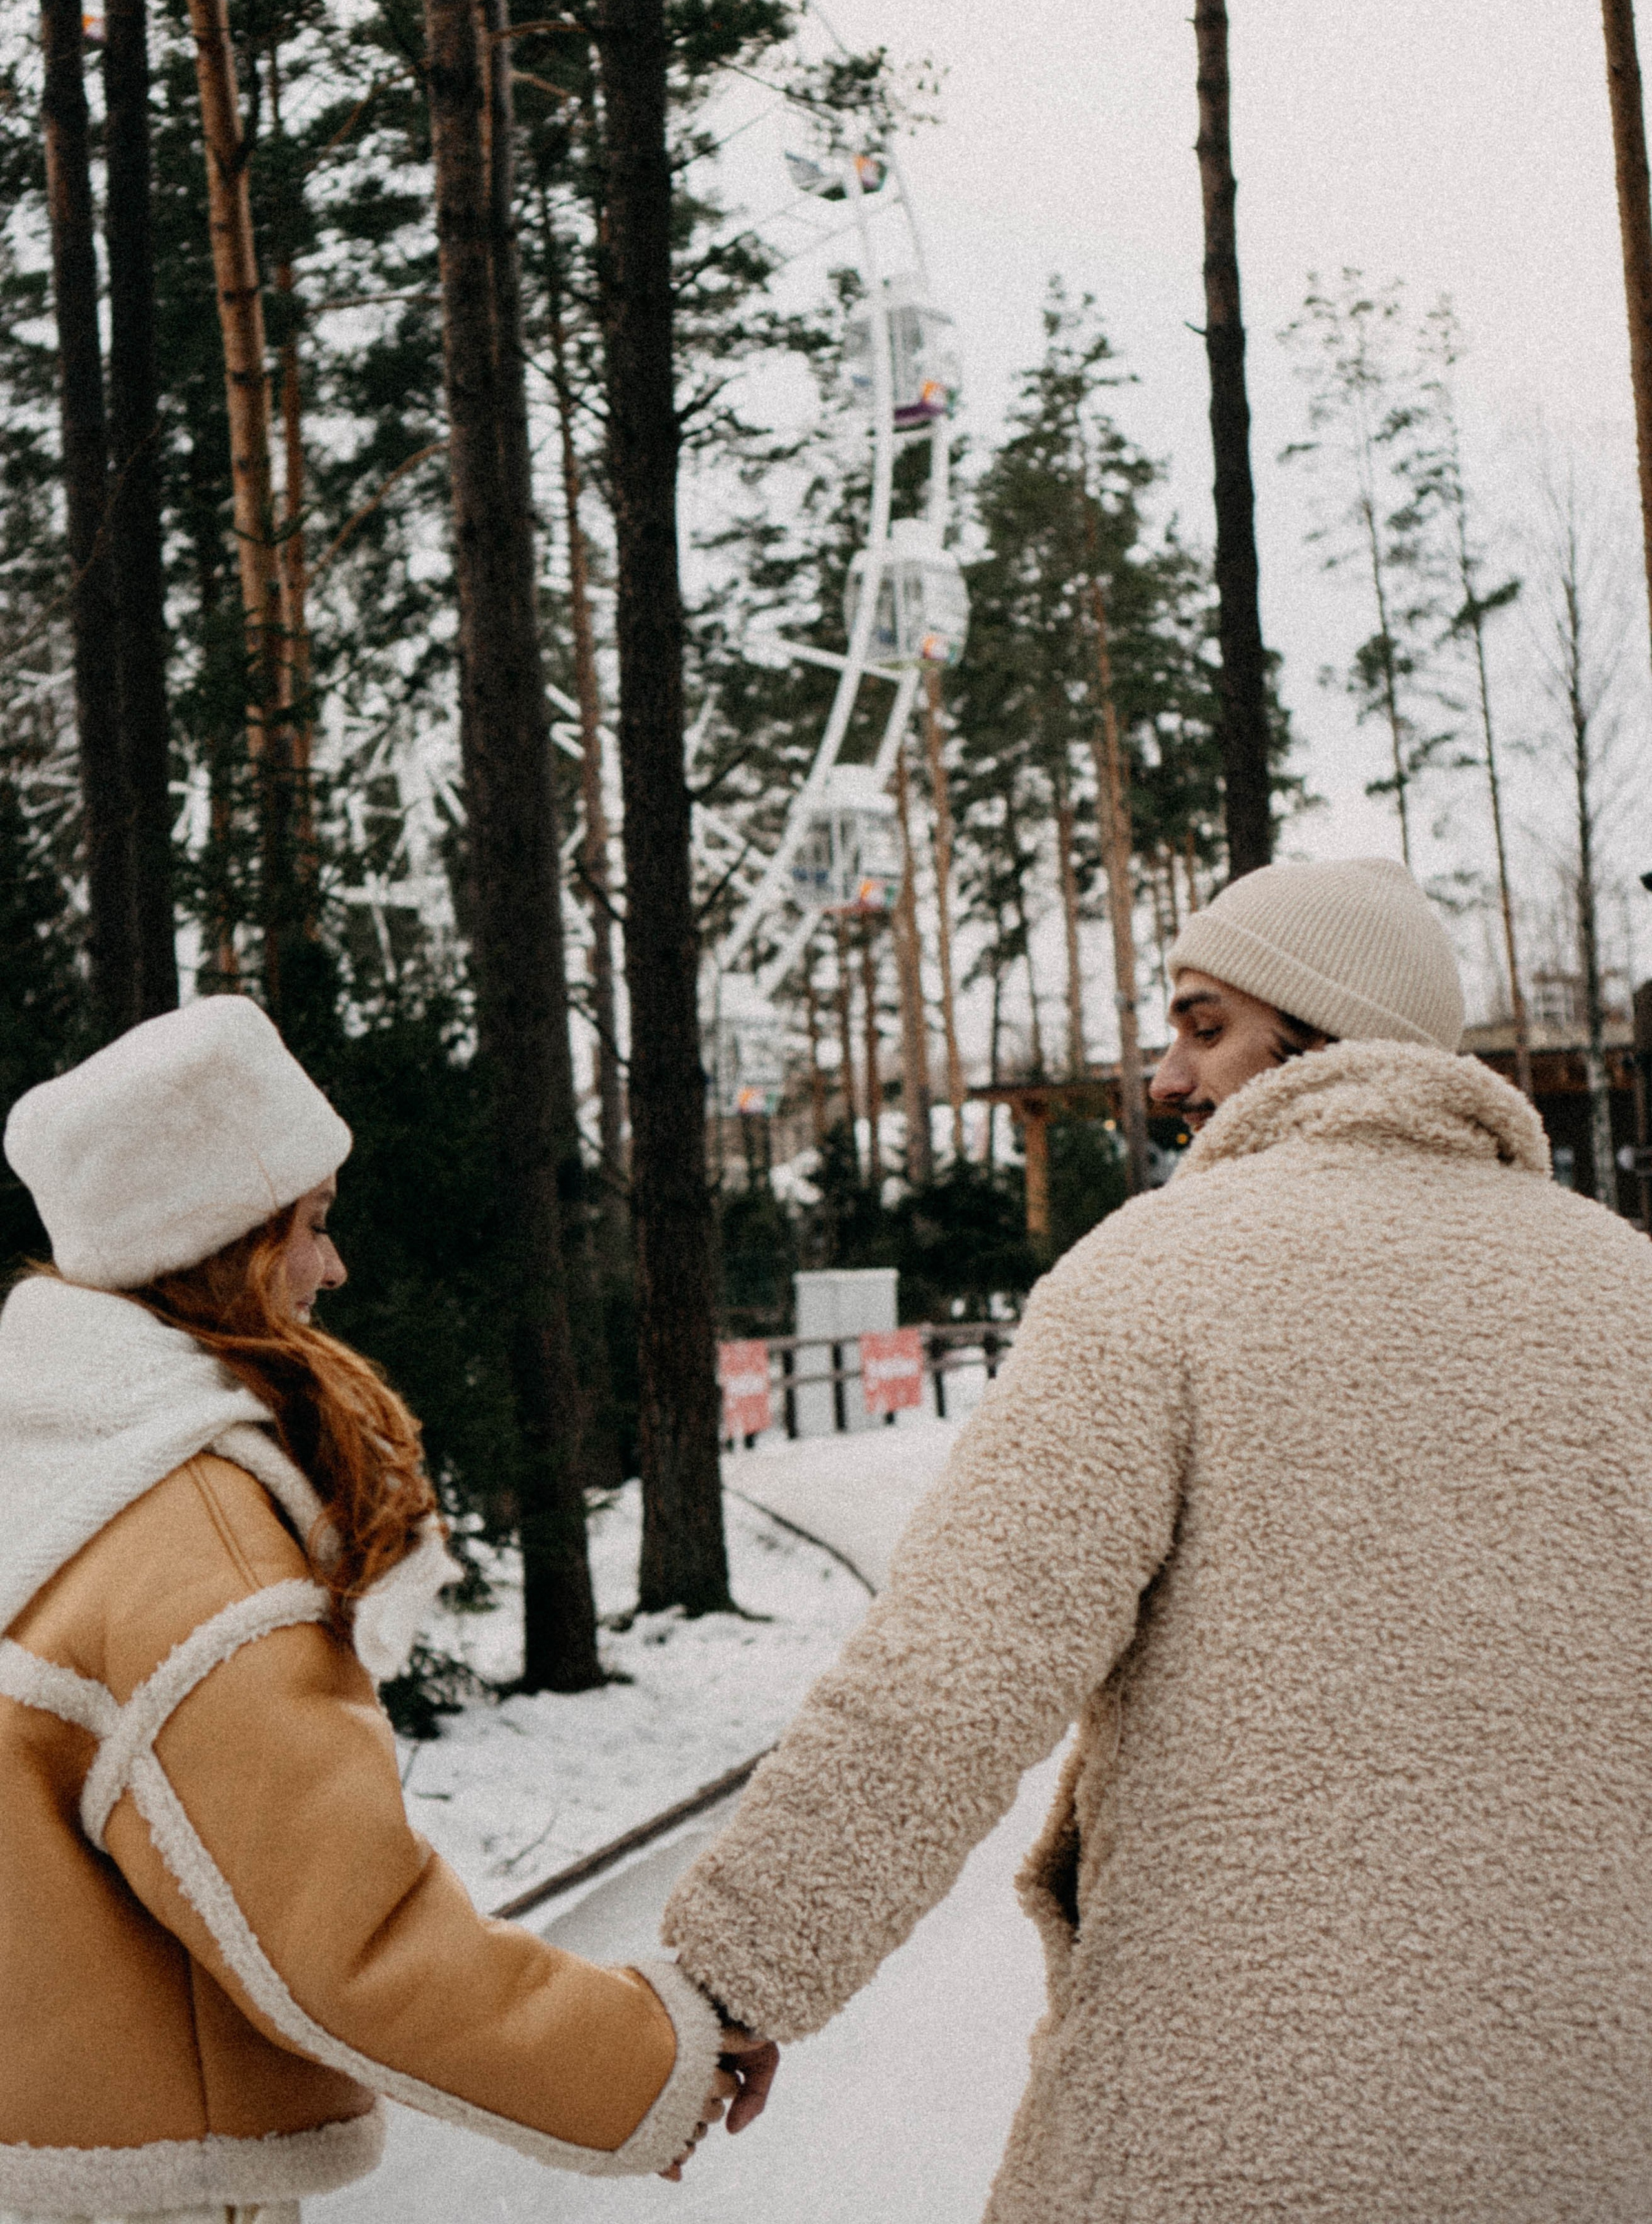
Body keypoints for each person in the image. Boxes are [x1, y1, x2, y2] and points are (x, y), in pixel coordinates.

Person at [663, 856, 1652, 2222]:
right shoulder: (1625, 1289)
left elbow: (951, 1672)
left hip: (1242, 2120)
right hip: (1597, 2128)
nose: (1164, 1079)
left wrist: (730, 1980)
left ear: (1319, 1039)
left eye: (1203, 1027)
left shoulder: (1163, 1271)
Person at [0, 995, 774, 2224]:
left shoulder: (44, 1470)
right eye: (311, 1227)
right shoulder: (187, 1533)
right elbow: (346, 1940)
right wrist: (645, 2059)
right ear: (221, 1245)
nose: (334, 1269)